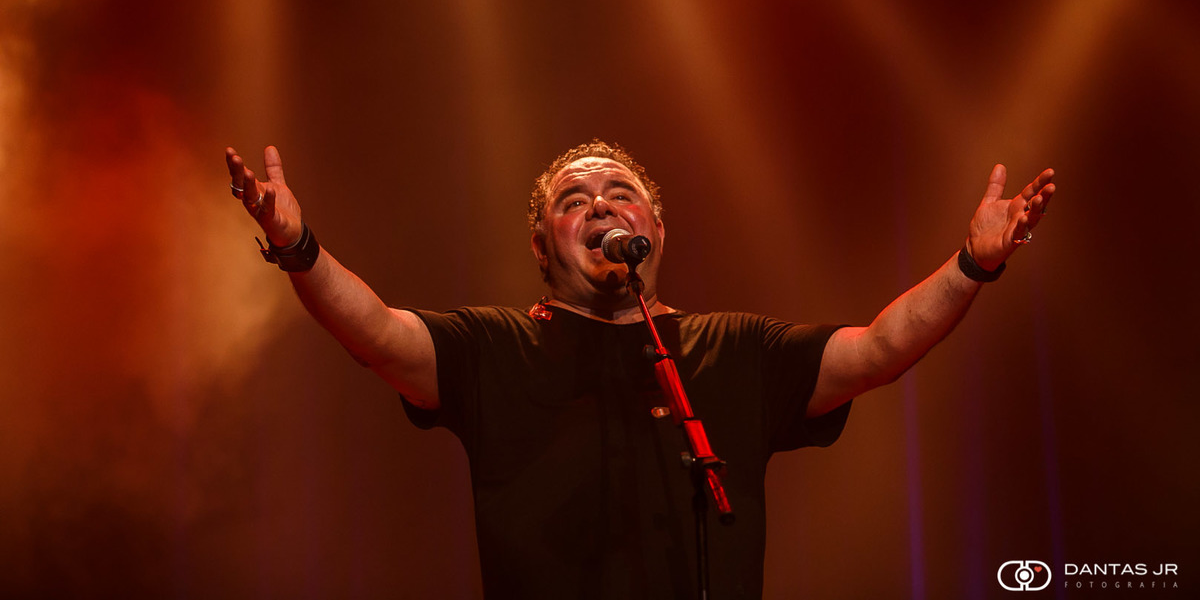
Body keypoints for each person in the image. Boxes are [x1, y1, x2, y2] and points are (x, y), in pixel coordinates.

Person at [224, 140, 1055, 600]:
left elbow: (877, 350)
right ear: (542, 245)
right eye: (573, 199)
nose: (599, 204)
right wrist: (298, 247)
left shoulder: (734, 349)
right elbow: (375, 332)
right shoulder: (494, 348)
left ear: (654, 226)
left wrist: (971, 266)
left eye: (619, 192)